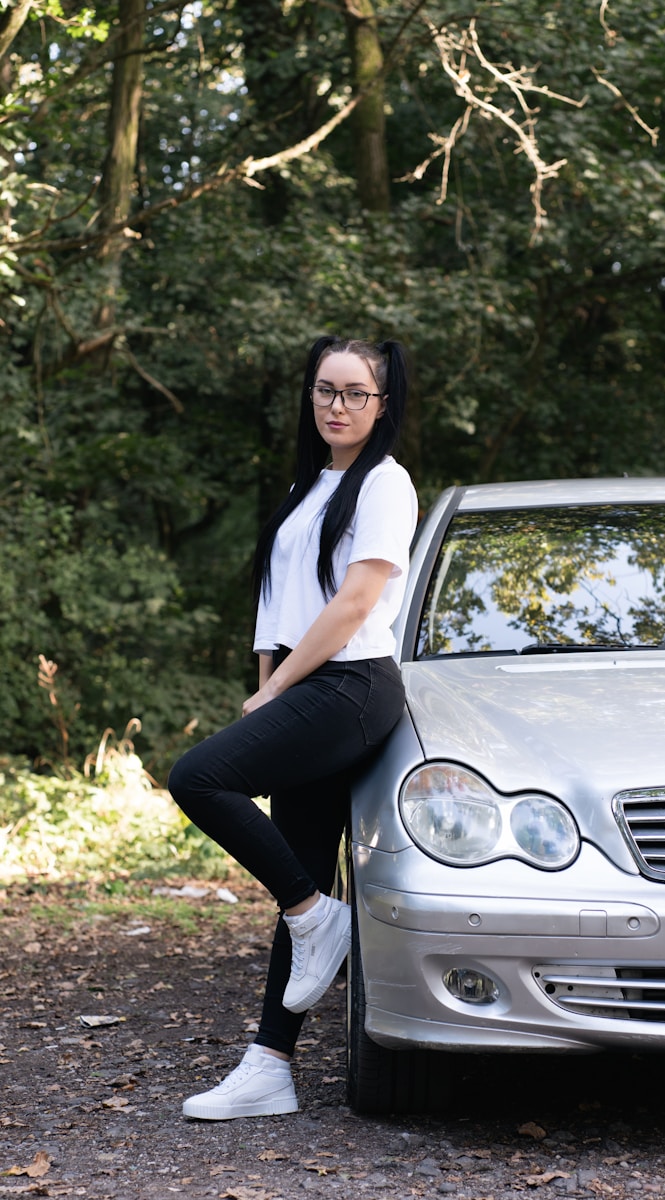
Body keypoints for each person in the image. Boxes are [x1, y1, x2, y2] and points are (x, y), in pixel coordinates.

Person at [168, 335, 418, 1121]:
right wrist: (265, 683)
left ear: (381, 405)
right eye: (324, 391)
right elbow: (279, 610)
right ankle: (270, 1066)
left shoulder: (386, 484)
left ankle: (317, 915)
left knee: (198, 778)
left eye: (354, 393)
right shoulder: (308, 485)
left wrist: (277, 688)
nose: (336, 406)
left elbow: (351, 606)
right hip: (306, 685)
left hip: (350, 687)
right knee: (303, 855)